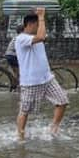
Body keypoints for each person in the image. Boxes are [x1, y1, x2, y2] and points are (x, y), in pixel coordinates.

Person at [15, 8, 68, 139]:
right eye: (37, 25)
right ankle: (20, 135)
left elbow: (42, 36)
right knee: (25, 111)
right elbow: (41, 36)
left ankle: (53, 128)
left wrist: (39, 16)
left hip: (47, 79)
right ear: (30, 24)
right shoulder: (21, 38)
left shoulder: (36, 37)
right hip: (31, 82)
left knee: (62, 101)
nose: (39, 27)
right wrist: (41, 16)